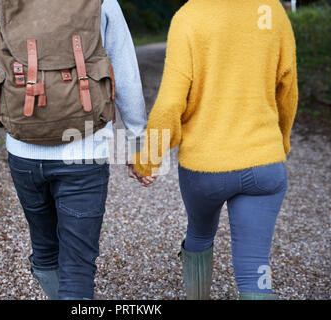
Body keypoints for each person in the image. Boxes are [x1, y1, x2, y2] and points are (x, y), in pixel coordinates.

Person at [0, 0, 147, 300]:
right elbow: (126, 73)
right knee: (77, 269)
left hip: (24, 154)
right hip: (86, 151)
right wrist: (138, 143)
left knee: (46, 254)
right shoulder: (104, 2)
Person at [132, 0, 298, 300]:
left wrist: (148, 159)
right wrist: (280, 143)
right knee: (255, 267)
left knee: (199, 233)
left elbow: (170, 102)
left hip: (205, 169)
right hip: (264, 164)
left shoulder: (189, 16)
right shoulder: (272, 10)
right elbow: (287, 90)